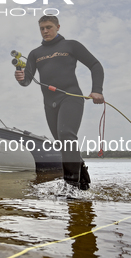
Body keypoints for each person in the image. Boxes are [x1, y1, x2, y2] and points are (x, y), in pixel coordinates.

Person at [15, 15, 104, 190]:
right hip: (49, 103)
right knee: (63, 144)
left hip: (71, 97)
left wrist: (97, 90)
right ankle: (83, 183)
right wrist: (20, 78)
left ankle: (71, 186)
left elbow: (95, 65)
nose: (45, 31)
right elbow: (27, 81)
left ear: (58, 27)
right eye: (42, 28)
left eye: (48, 27)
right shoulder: (35, 54)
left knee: (66, 135)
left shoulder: (71, 45)